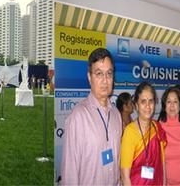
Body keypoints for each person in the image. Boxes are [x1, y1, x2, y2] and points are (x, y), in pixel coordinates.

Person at [61, 48, 122, 185]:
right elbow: (69, 173)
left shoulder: (116, 115)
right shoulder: (78, 117)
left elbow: (117, 163)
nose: (105, 80)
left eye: (109, 74)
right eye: (99, 74)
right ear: (89, 77)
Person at [120, 81, 167, 185]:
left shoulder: (157, 128)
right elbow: (125, 176)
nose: (148, 106)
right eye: (143, 101)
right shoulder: (130, 132)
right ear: (136, 105)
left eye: (151, 101)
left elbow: (162, 163)